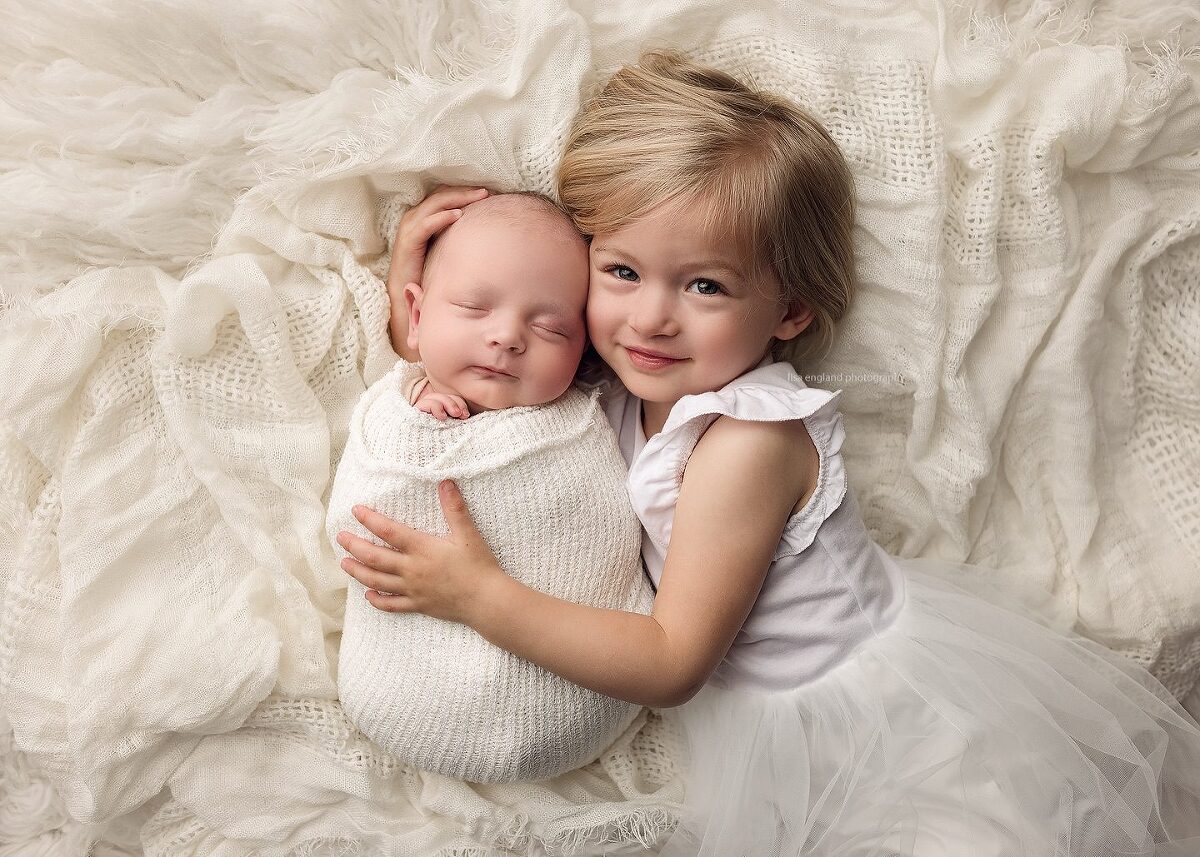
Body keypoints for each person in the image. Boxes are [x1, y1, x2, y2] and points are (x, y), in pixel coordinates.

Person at [334, 52, 1200, 854]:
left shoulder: (748, 442)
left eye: (705, 285)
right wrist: (416, 277)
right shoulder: (628, 375)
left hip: (870, 722)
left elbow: (672, 661)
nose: (652, 318)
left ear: (788, 312)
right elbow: (493, 364)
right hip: (775, 732)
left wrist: (481, 597)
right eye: (622, 271)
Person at [327, 191, 653, 784]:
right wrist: (418, 416)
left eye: (551, 326)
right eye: (475, 306)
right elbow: (359, 520)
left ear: (584, 351)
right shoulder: (397, 407)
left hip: (579, 681)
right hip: (405, 690)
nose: (507, 336)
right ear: (418, 313)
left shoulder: (589, 411)